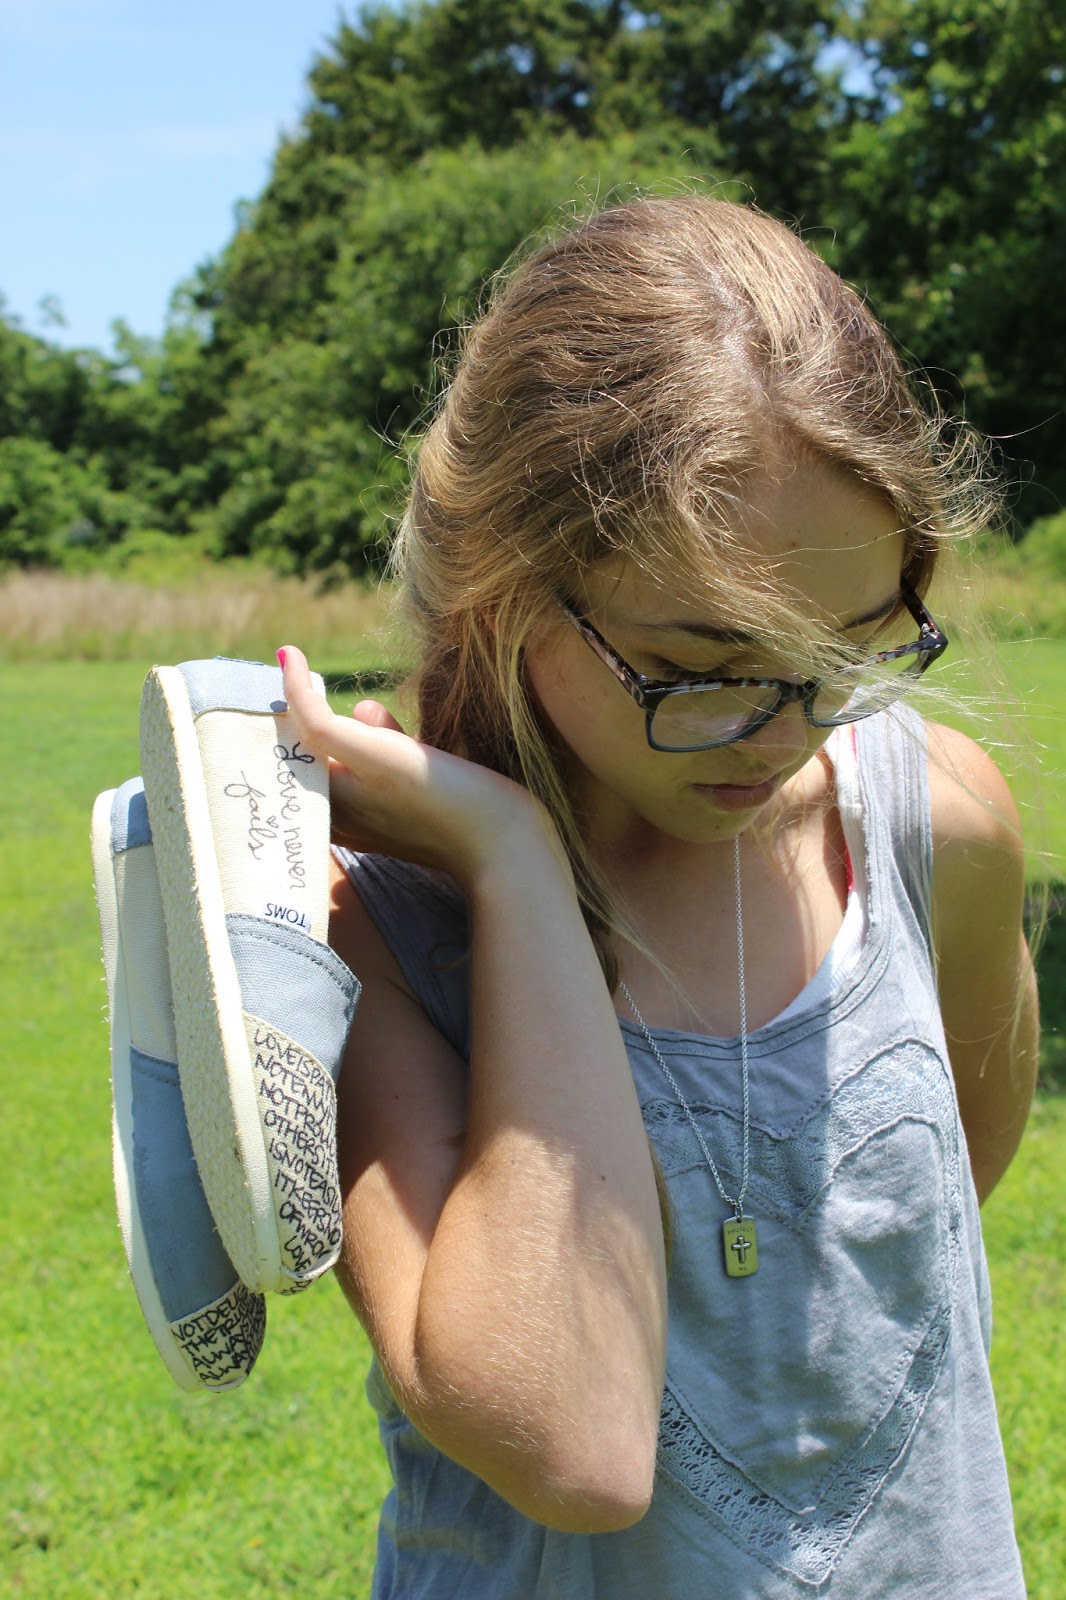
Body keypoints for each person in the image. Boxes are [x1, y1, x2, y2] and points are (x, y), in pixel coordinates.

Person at [278, 195, 1038, 1598]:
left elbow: (941, 1205)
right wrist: (508, 871)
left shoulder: (936, 829)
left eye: (842, 648)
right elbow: (573, 1445)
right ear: (503, 593)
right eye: (699, 667)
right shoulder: (363, 929)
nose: (779, 731)